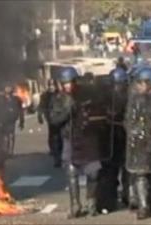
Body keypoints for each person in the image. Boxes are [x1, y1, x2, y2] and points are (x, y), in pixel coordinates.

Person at [49, 67, 106, 218]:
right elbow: (54, 120)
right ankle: (75, 205)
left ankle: (91, 203)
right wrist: (67, 111)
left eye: (70, 82)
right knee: (72, 171)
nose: (68, 86)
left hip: (89, 136)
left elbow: (100, 113)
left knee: (93, 172)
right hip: (70, 137)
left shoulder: (88, 94)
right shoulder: (59, 99)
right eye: (65, 83)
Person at [124, 67, 151, 219]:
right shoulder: (135, 99)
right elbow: (128, 121)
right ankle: (144, 205)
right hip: (139, 140)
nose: (138, 86)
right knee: (141, 174)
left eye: (142, 83)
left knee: (148, 174)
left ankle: (149, 203)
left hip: (150, 139)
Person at [96, 67, 129, 213]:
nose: (117, 87)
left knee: (125, 170)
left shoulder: (128, 96)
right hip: (109, 136)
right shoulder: (104, 97)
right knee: (109, 172)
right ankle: (110, 200)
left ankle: (125, 197)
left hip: (122, 134)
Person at [37, 79, 63, 167]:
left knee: (62, 137)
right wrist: (40, 116)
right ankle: (56, 157)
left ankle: (61, 154)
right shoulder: (45, 95)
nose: (51, 87)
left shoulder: (60, 94)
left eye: (53, 85)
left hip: (62, 119)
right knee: (54, 137)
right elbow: (41, 106)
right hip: (51, 119)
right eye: (50, 85)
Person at [0, 84, 24, 157]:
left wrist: (22, 121)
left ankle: (10, 152)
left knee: (11, 135)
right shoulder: (0, 99)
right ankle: (5, 151)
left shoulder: (16, 99)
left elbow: (20, 110)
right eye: (6, 87)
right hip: (3, 120)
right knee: (4, 136)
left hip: (11, 120)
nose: (7, 89)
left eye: (9, 87)